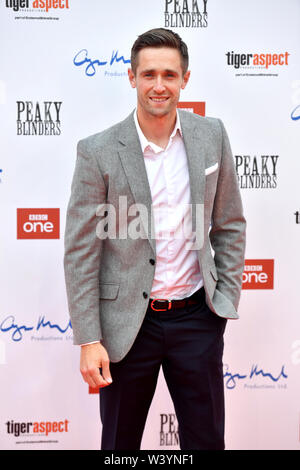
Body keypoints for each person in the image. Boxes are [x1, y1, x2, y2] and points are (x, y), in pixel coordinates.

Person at [64, 28, 246, 450]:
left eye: (169, 74)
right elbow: (80, 250)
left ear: (185, 78)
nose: (158, 85)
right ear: (132, 78)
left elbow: (230, 223)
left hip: (196, 319)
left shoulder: (212, 135)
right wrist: (89, 338)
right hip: (126, 327)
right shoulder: (99, 150)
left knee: (206, 442)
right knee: (119, 445)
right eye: (148, 75)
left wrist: (223, 302)